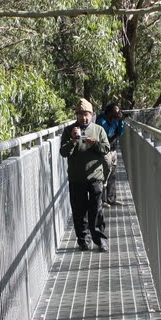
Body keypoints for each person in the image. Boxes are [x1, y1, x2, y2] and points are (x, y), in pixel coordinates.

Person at [60, 98, 110, 251]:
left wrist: (95, 143)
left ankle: (100, 240)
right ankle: (83, 240)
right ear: (76, 115)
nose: (84, 117)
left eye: (87, 114)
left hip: (95, 176)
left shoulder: (98, 129)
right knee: (79, 210)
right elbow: (63, 152)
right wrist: (73, 141)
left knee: (96, 208)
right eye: (81, 114)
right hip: (76, 177)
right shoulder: (69, 130)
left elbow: (106, 149)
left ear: (92, 114)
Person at [96, 102, 125, 206]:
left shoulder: (114, 120)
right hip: (104, 152)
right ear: (110, 111)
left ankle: (111, 199)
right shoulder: (101, 120)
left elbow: (119, 133)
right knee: (104, 175)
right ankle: (102, 200)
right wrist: (116, 121)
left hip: (113, 150)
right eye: (116, 111)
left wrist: (121, 122)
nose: (118, 112)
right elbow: (107, 133)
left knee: (112, 175)